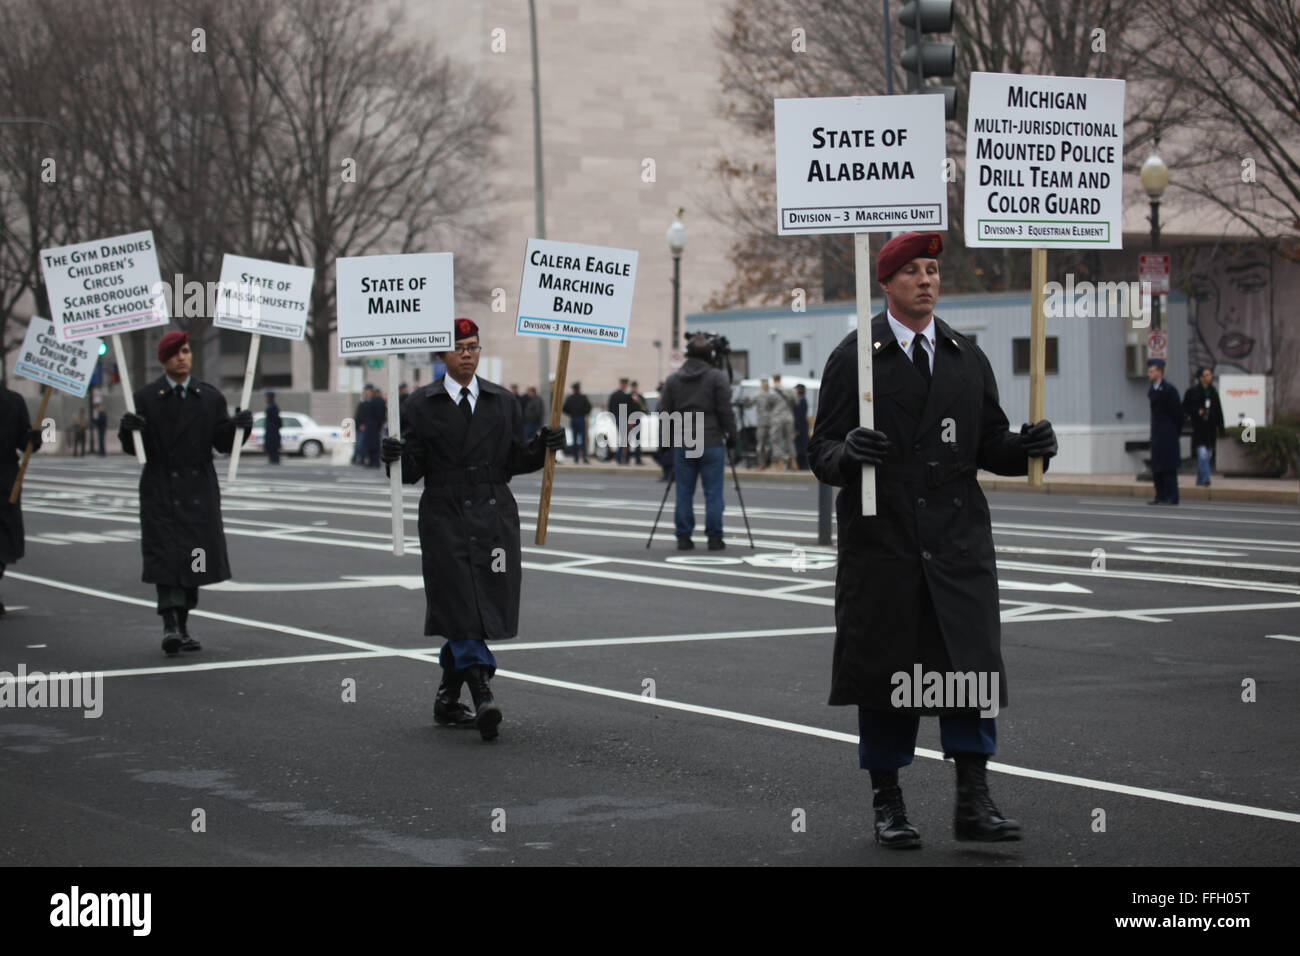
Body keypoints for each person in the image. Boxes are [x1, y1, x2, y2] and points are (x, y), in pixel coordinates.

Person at [807, 232, 1057, 850]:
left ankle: (974, 798)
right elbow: (819, 450)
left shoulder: (965, 356)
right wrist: (848, 454)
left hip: (955, 543)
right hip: (885, 541)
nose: (927, 279)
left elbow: (988, 443)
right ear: (886, 284)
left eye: (932, 270)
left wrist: (1025, 448)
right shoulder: (854, 357)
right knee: (889, 674)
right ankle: (888, 802)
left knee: (967, 669)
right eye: (912, 271)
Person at [381, 318, 563, 740]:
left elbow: (513, 460)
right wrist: (391, 454)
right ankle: (482, 692)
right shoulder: (420, 404)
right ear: (442, 355)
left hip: (493, 510)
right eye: (459, 346)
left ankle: (448, 698)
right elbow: (411, 471)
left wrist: (544, 446)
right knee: (460, 601)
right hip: (444, 512)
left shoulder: (502, 401)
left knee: (484, 602)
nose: (467, 353)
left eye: (474, 346)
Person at [119, 331, 252, 654]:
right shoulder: (146, 398)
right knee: (166, 557)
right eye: (176, 352)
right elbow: (135, 447)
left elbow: (222, 442)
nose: (183, 357)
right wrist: (128, 429)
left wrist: (241, 427)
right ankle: (170, 623)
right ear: (163, 359)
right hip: (161, 486)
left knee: (195, 558)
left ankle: (184, 620)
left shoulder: (209, 397)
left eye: (187, 351)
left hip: (198, 490)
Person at [659, 333, 738, 551]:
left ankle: (683, 537)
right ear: (710, 354)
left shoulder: (674, 379)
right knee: (713, 492)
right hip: (711, 439)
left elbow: (665, 412)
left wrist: (664, 441)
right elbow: (726, 411)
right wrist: (733, 437)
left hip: (684, 440)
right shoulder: (716, 377)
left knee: (684, 491)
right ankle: (714, 537)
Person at [0, 386, 42, 616]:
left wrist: (33, 438)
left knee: (5, 541)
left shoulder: (13, 401)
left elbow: (24, 440)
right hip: (6, 478)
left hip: (5, 479)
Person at [1146, 358, 1183, 504]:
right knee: (1157, 466)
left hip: (1168, 432)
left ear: (1160, 372)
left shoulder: (1169, 390)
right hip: (1157, 432)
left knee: (1168, 467)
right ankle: (1160, 495)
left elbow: (1177, 414)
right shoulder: (1152, 389)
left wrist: (1174, 432)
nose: (1149, 374)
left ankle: (1172, 496)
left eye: (1152, 371)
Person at [1182, 366, 1225, 487]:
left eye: (1210, 375)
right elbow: (1185, 408)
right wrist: (1196, 411)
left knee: (1208, 455)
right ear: (1201, 378)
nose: (1209, 377)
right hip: (1199, 428)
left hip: (1210, 428)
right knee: (1202, 455)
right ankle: (1206, 478)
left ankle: (1200, 479)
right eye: (1207, 375)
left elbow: (1218, 411)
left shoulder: (1213, 392)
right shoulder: (1193, 392)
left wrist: (1221, 427)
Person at [769, 374, 797, 470]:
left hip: (777, 418)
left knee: (776, 440)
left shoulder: (771, 392)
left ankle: (779, 463)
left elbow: (768, 406)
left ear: (774, 379)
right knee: (790, 440)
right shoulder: (789, 390)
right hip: (789, 417)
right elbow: (796, 402)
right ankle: (793, 462)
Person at [562, 381, 592, 463]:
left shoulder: (570, 398)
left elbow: (564, 409)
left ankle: (576, 458)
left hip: (573, 418)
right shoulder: (583, 397)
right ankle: (584, 457)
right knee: (583, 439)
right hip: (581, 419)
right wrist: (584, 413)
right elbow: (589, 407)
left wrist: (571, 413)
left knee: (574, 439)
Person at [608, 378, 632, 464]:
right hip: (623, 418)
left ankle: (621, 458)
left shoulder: (614, 395)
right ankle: (621, 458)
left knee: (623, 439)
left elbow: (610, 408)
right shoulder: (626, 396)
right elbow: (629, 409)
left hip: (618, 417)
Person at [627, 381, 647, 465]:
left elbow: (645, 409)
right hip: (630, 419)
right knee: (628, 440)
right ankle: (626, 458)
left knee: (637, 440)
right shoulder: (628, 397)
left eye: (635, 387)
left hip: (638, 418)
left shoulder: (640, 397)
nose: (634, 388)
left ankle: (638, 459)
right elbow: (627, 408)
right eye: (633, 387)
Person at [352, 385, 372, 465]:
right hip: (360, 426)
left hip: (365, 426)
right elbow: (359, 415)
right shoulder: (363, 403)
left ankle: (359, 458)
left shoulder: (367, 403)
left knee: (362, 444)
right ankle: (357, 458)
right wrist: (361, 424)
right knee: (359, 444)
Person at [793, 383, 811, 470]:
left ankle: (803, 466)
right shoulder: (803, 400)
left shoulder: (800, 401)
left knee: (800, 447)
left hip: (800, 428)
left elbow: (799, 416)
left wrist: (797, 428)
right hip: (803, 426)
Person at [263, 390, 282, 465]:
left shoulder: (273, 406)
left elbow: (276, 419)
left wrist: (275, 427)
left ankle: (275, 459)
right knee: (271, 446)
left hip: (273, 430)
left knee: (273, 445)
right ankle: (272, 459)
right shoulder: (271, 406)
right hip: (270, 429)